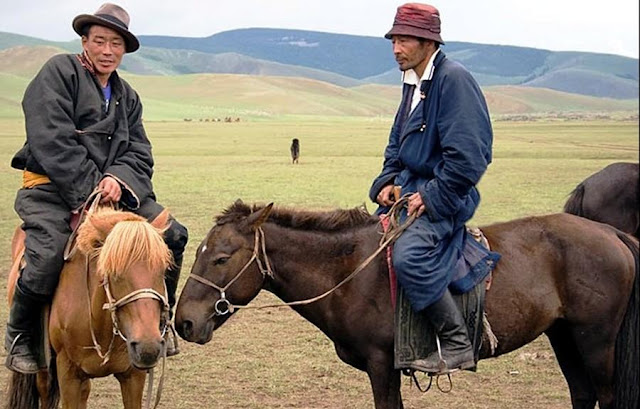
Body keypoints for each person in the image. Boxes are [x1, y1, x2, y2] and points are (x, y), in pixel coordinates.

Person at [5, 3, 188, 374]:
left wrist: (117, 180)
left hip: (116, 195)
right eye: (100, 41)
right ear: (85, 42)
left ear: (124, 50)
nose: (108, 51)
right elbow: (50, 138)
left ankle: (159, 322)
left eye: (116, 44)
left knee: (174, 237)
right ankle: (19, 335)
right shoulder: (58, 73)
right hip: (53, 191)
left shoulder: (128, 96)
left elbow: (140, 151)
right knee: (47, 257)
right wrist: (93, 187)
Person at [370, 3, 494, 374]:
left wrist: (434, 195)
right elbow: (397, 144)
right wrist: (386, 181)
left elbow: (470, 158)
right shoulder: (412, 83)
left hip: (448, 195)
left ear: (427, 42)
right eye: (393, 40)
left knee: (409, 256)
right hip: (410, 189)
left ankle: (456, 342)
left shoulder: (453, 79)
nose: (396, 48)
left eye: (404, 40)